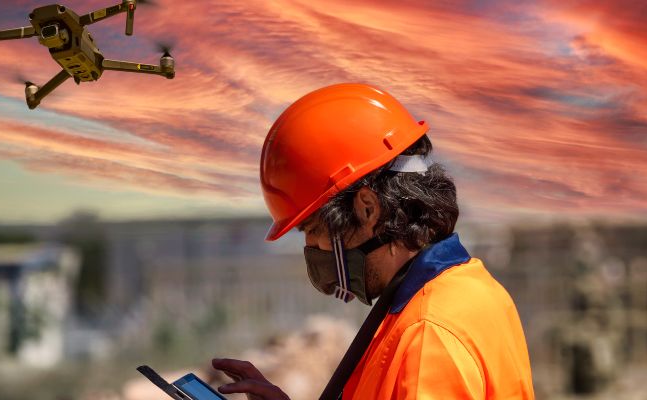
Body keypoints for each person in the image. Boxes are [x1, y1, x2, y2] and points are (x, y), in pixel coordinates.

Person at [212, 83, 535, 399]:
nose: (311, 247)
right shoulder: (467, 288)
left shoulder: (426, 334)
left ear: (367, 208)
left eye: (311, 228)